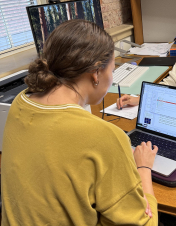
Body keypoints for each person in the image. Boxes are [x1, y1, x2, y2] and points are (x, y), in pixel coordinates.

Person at [1, 19, 158, 226]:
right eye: (112, 70)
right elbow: (144, 224)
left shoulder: (21, 102)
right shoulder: (106, 136)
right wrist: (144, 168)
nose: (111, 77)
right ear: (95, 73)